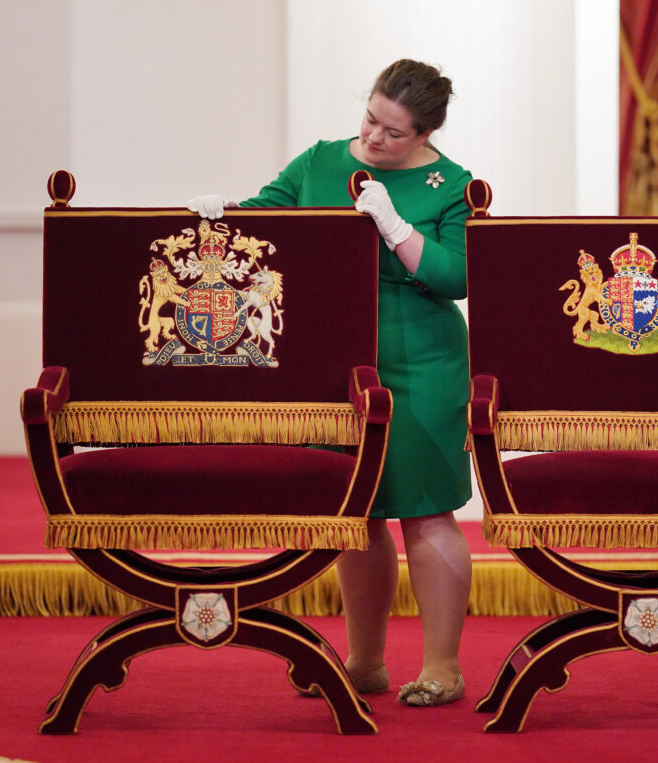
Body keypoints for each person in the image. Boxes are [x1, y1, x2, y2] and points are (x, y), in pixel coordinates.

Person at [188, 59, 473, 707]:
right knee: (358, 514)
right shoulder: (319, 161)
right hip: (335, 355)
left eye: (394, 132)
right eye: (370, 119)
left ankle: (441, 667)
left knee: (426, 511)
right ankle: (365, 660)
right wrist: (219, 217)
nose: (374, 138)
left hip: (420, 359)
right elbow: (266, 223)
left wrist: (395, 227)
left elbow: (459, 276)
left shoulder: (452, 184)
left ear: (425, 132)